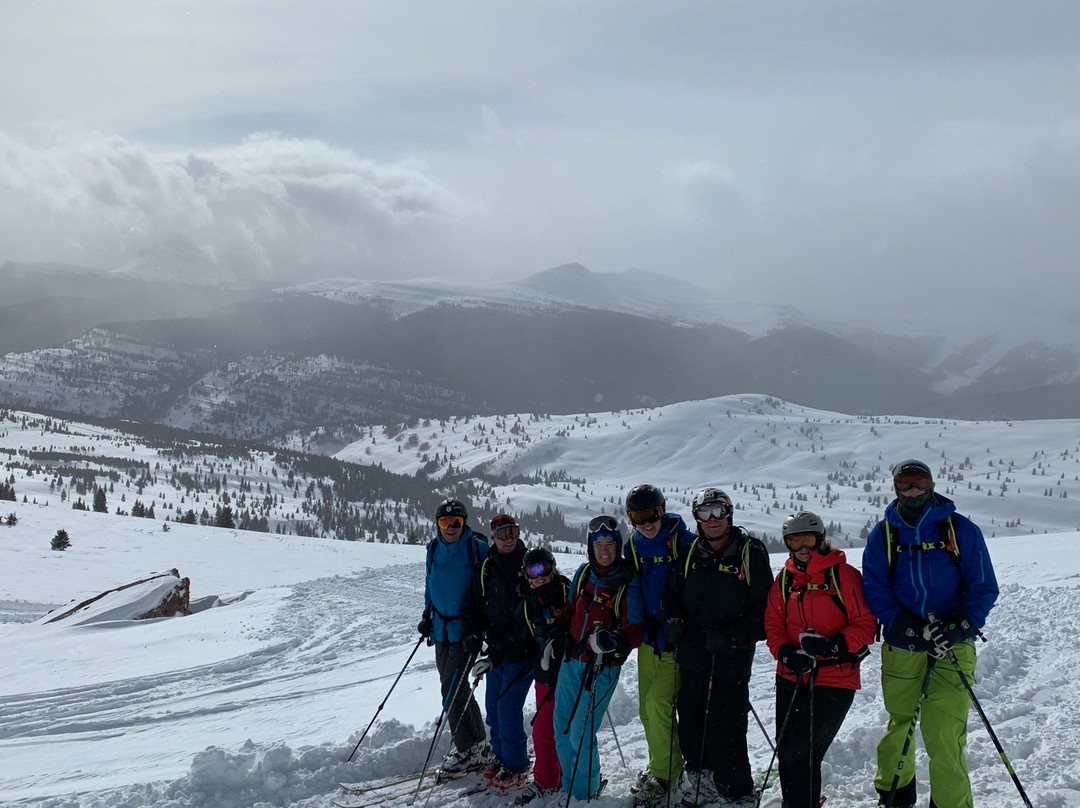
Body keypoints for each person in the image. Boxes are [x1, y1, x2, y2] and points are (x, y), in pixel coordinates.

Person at [862, 459, 1000, 808]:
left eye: (920, 483)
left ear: (932, 484)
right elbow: (875, 588)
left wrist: (961, 626)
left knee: (945, 732)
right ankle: (894, 795)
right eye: (906, 484)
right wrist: (902, 625)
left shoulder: (959, 529)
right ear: (895, 487)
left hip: (953, 646)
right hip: (902, 647)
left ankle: (951, 804)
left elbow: (984, 586)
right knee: (901, 725)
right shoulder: (884, 535)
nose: (913, 491)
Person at [662, 487, 772, 808]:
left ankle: (736, 791)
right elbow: (671, 594)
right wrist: (673, 620)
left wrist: (734, 637)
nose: (712, 520)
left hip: (731, 655)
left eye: (717, 511)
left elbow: (765, 610)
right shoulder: (692, 553)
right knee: (692, 722)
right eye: (704, 512)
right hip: (694, 650)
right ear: (696, 516)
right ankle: (702, 782)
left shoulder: (748, 552)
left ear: (729, 514)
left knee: (727, 725)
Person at [764, 511, 877, 808]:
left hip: (836, 677)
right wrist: (786, 653)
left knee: (803, 751)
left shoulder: (844, 576)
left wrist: (833, 645)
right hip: (791, 675)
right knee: (787, 750)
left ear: (821, 539)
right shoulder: (784, 580)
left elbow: (867, 625)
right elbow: (773, 626)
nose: (803, 547)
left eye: (809, 539)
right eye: (795, 540)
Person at [553, 515, 645, 801]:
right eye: (598, 543)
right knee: (562, 728)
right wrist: (557, 634)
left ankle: (584, 795)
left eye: (609, 543)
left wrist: (613, 641)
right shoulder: (583, 574)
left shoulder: (627, 581)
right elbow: (568, 610)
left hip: (601, 667)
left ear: (617, 546)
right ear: (590, 547)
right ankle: (569, 786)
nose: (604, 549)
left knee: (581, 733)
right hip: (571, 662)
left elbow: (636, 631)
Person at [623, 484, 696, 806]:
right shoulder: (635, 546)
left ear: (662, 511)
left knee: (658, 704)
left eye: (652, 514)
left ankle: (667, 774)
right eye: (639, 516)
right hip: (649, 641)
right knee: (647, 711)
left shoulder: (685, 543)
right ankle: (660, 766)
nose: (647, 522)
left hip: (677, 642)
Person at [418, 498, 494, 776]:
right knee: (456, 688)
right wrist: (427, 615)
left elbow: (491, 591)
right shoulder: (434, 548)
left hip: (467, 633)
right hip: (441, 630)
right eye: (444, 522)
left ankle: (466, 750)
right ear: (437, 524)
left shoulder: (479, 550)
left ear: (464, 522)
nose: (450, 527)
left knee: (450, 691)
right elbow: (430, 583)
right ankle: (478, 744)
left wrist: (483, 629)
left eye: (456, 522)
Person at [462, 513, 534, 791]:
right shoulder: (487, 568)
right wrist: (471, 633)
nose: (509, 539)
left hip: (522, 649)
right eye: (503, 534)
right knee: (493, 707)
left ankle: (516, 764)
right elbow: (473, 605)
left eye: (513, 532)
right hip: (496, 651)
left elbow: (540, 602)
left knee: (507, 709)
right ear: (492, 538)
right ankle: (502, 757)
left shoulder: (529, 565)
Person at [514, 546, 571, 805]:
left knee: (571, 728)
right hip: (545, 675)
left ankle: (575, 779)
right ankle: (547, 779)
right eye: (532, 571)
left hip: (572, 672)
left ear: (552, 568)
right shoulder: (527, 604)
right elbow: (517, 638)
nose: (539, 576)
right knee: (544, 730)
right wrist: (494, 655)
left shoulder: (568, 593)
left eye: (544, 569)